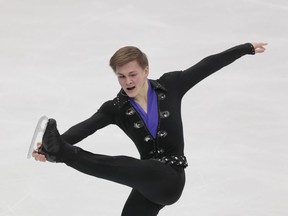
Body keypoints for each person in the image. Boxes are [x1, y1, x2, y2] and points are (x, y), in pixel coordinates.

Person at [32, 42, 267, 216]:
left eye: (132, 74)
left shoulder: (171, 85)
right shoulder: (116, 108)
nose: (127, 81)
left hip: (170, 179)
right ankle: (58, 151)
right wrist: (46, 148)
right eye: (121, 76)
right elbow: (86, 127)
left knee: (123, 164)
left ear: (145, 70)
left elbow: (207, 66)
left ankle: (61, 153)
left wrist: (244, 48)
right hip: (145, 182)